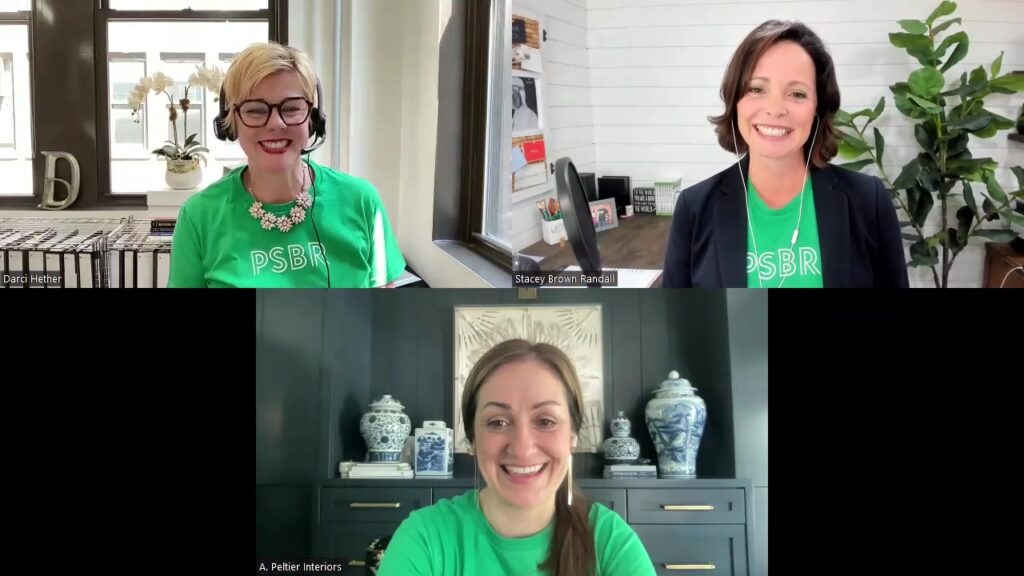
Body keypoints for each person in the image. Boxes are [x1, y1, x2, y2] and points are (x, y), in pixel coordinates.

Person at [663, 20, 909, 288]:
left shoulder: (868, 201)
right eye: (757, 89)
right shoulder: (694, 208)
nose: (775, 109)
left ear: (819, 108)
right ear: (736, 101)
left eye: (797, 93)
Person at [377, 340, 655, 576]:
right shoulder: (425, 537)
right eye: (497, 422)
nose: (522, 448)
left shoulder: (611, 542)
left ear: (573, 436)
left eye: (545, 421)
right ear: (472, 439)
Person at [168, 42, 406, 288]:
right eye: (255, 110)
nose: (275, 124)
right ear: (230, 123)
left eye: (291, 108)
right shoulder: (199, 216)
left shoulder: (361, 201)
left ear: (313, 119)